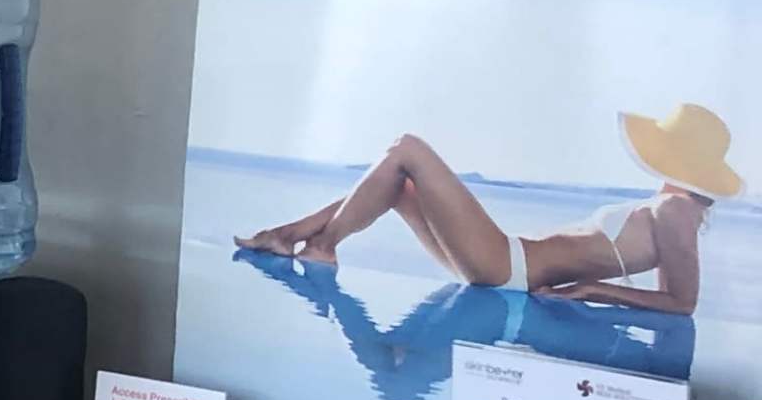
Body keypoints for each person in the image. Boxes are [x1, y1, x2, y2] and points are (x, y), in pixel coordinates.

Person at [237, 101, 735, 315]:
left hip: (510, 266)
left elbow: (681, 302)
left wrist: (592, 291)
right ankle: (292, 233)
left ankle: (319, 243)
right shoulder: (670, 207)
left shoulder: (677, 212)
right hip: (507, 262)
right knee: (401, 185)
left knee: (408, 149)